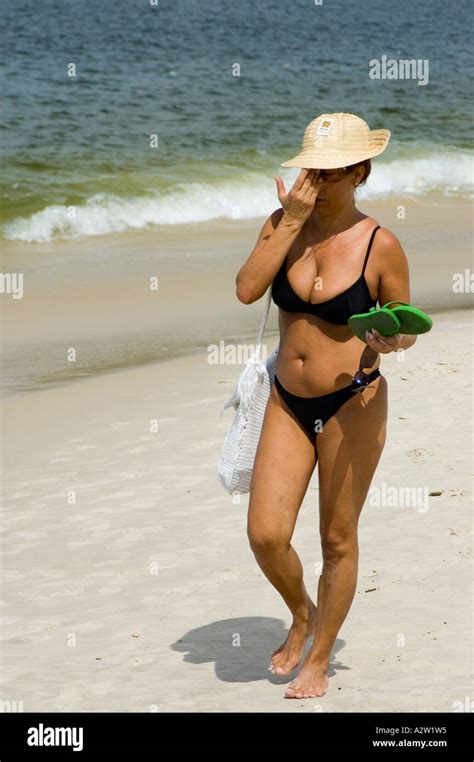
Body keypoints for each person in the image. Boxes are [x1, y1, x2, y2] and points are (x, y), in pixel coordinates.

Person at [235, 113, 418, 699]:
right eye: (313, 169)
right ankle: (303, 613)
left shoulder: (379, 243)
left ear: (360, 171)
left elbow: (405, 325)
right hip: (288, 401)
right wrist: (289, 221)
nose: (319, 181)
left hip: (353, 401)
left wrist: (392, 339)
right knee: (265, 534)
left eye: (334, 172)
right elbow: (245, 289)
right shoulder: (285, 223)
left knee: (337, 540)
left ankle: (319, 660)